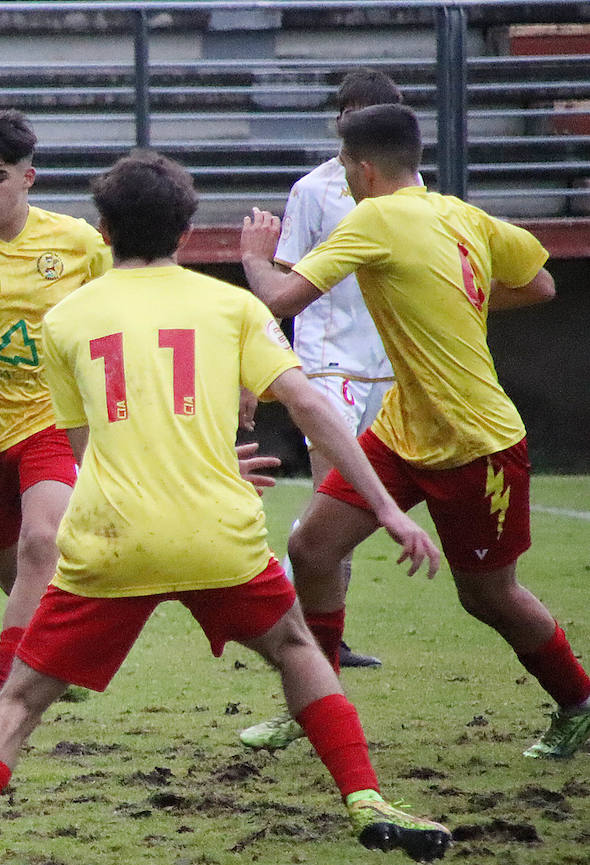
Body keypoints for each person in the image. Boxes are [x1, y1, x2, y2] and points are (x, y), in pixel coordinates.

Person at [0, 151, 451, 865]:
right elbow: (310, 406)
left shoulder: (66, 318)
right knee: (295, 647)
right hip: (217, 531)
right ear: (187, 231)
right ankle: (367, 797)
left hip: (112, 541)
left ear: (105, 228)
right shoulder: (233, 307)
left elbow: (88, 447)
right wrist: (383, 507)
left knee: (19, 700)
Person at [0, 109, 277, 715]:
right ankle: (51, 661)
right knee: (21, 580)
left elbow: (168, 294)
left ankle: (1, 694)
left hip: (54, 421)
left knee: (44, 544)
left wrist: (246, 370)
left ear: (28, 178)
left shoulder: (78, 242)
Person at [239, 103, 590, 760]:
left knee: (489, 597)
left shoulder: (373, 217)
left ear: (365, 169)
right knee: (314, 549)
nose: (342, 176)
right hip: (403, 431)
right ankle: (316, 704)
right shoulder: (464, 214)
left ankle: (577, 701)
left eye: (345, 165)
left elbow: (279, 301)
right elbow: (540, 284)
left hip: (475, 442)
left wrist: (256, 257)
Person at [237, 69, 404, 749]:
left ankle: (328, 640)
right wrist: (261, 372)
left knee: (344, 517)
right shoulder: (312, 191)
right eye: (351, 114)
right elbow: (280, 286)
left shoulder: (412, 193)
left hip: (394, 371)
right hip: (331, 367)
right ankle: (313, 657)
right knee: (330, 508)